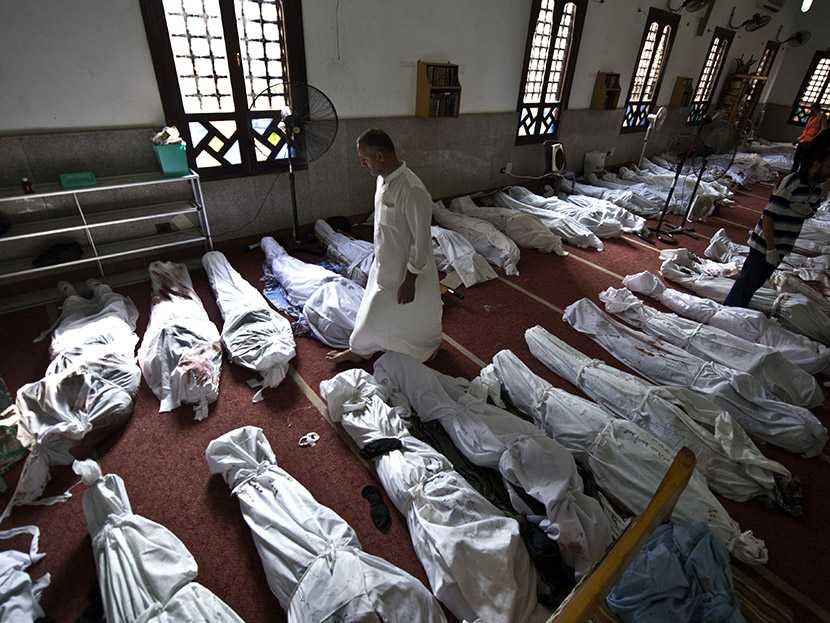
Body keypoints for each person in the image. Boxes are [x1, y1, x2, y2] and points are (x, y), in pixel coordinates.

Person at [326, 129, 442, 364]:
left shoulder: (412, 189)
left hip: (409, 271)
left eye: (364, 159)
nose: (362, 164)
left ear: (379, 156)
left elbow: (421, 241)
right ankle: (360, 349)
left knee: (414, 313)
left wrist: (410, 279)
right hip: (385, 263)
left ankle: (423, 347)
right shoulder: (383, 180)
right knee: (376, 308)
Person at [724, 129, 830, 308]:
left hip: (783, 243)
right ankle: (730, 310)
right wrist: (771, 249)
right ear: (816, 164)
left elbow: (810, 212)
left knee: (757, 282)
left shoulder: (817, 188)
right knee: (747, 281)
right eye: (829, 168)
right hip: (766, 243)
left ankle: (739, 309)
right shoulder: (792, 183)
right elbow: (768, 217)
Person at [791, 102, 827, 173]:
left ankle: (801, 173)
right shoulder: (811, 118)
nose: (810, 109)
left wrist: (816, 139)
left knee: (804, 159)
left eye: (811, 108)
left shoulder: (822, 116)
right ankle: (792, 173)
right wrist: (798, 139)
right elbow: (806, 131)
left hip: (811, 142)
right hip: (803, 141)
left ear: (814, 108)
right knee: (796, 158)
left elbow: (823, 129)